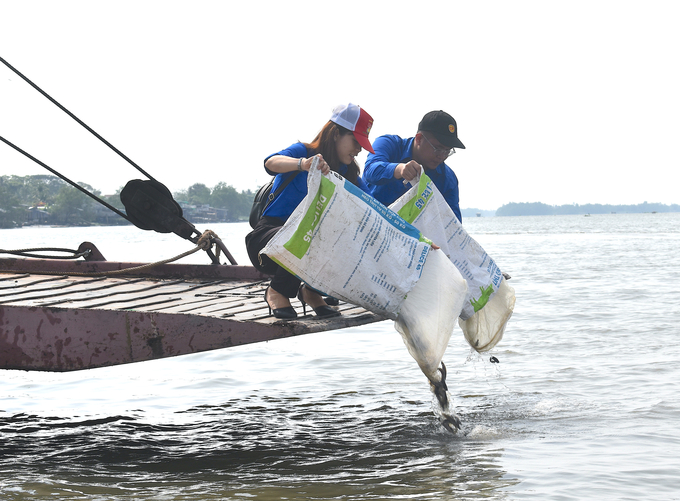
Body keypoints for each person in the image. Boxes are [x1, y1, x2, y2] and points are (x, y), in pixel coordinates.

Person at [245, 103, 375, 319]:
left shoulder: (348, 173)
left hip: (308, 244)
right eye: (355, 141)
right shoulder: (303, 153)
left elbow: (374, 209)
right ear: (335, 134)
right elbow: (270, 162)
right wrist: (302, 164)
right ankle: (277, 290)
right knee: (309, 233)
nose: (359, 150)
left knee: (347, 238)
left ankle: (311, 292)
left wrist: (418, 238)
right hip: (267, 243)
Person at [363, 110, 466, 223]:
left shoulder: (448, 180)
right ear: (419, 139)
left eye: (447, 151)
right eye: (438, 148)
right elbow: (370, 170)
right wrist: (399, 169)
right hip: (366, 224)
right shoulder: (389, 144)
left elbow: (452, 223)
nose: (442, 156)